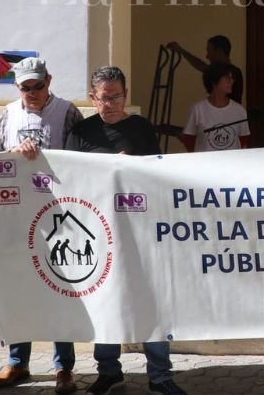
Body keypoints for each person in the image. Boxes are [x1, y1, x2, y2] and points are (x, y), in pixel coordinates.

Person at [66, 66, 188, 395]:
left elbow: (156, 172)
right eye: (105, 98)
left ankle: (160, 375)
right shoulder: (80, 133)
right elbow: (70, 179)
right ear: (93, 98)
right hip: (98, 232)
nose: (112, 104)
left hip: (141, 229)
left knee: (151, 299)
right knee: (105, 300)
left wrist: (130, 165)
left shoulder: (142, 128)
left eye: (117, 96)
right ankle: (109, 372)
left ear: (126, 94)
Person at [0, 57, 82, 392]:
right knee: (19, 287)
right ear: (17, 87)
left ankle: (64, 368)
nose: (32, 93)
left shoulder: (68, 112)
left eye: (38, 86)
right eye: (25, 87)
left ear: (49, 80)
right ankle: (17, 362)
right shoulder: (9, 113)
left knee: (61, 288)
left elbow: (82, 159)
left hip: (58, 216)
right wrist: (12, 152)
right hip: (18, 216)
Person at [181, 63, 250, 152]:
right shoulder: (197, 110)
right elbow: (189, 140)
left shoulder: (240, 110)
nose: (231, 81)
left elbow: (243, 140)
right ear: (214, 82)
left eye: (232, 78)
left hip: (232, 164)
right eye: (227, 78)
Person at [166, 35, 244, 103]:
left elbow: (201, 66)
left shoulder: (228, 73)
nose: (207, 56)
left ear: (219, 51)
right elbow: (202, 66)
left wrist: (181, 50)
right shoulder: (233, 72)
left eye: (209, 51)